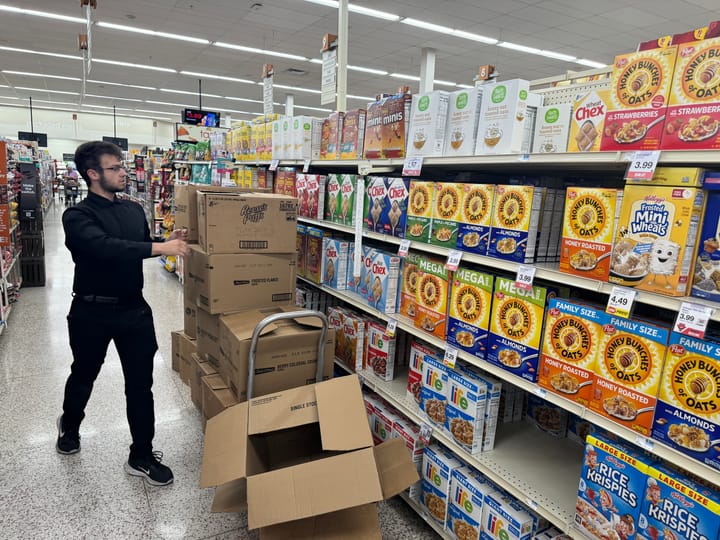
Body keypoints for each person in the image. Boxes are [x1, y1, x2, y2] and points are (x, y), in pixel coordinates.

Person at [56, 141, 190, 487]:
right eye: (115, 168)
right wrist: (160, 246)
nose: (123, 172)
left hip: (133, 309)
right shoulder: (77, 216)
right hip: (90, 310)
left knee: (140, 383)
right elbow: (104, 247)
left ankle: (142, 454)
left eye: (122, 166)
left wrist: (165, 238)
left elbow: (139, 243)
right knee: (84, 373)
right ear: (93, 174)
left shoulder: (132, 210)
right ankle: (70, 426)